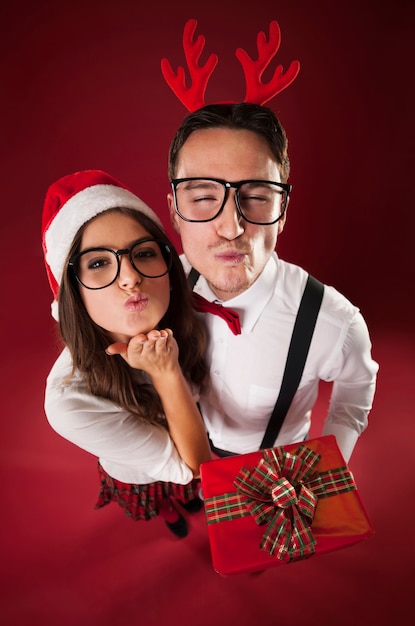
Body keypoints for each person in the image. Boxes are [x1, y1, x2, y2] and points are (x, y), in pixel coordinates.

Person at [166, 102, 379, 463]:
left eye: (256, 197)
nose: (231, 227)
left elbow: (356, 390)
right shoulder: (158, 287)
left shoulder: (333, 322)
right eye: (203, 197)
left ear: (283, 210)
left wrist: (328, 468)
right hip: (174, 460)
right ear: (174, 210)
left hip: (273, 481)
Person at [42, 169, 211, 538]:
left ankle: (190, 500)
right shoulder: (69, 400)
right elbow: (197, 463)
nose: (130, 276)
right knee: (160, 499)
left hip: (197, 441)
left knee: (193, 490)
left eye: (145, 253)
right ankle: (170, 514)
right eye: (99, 263)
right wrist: (165, 371)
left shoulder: (199, 301)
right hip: (142, 469)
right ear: (74, 292)